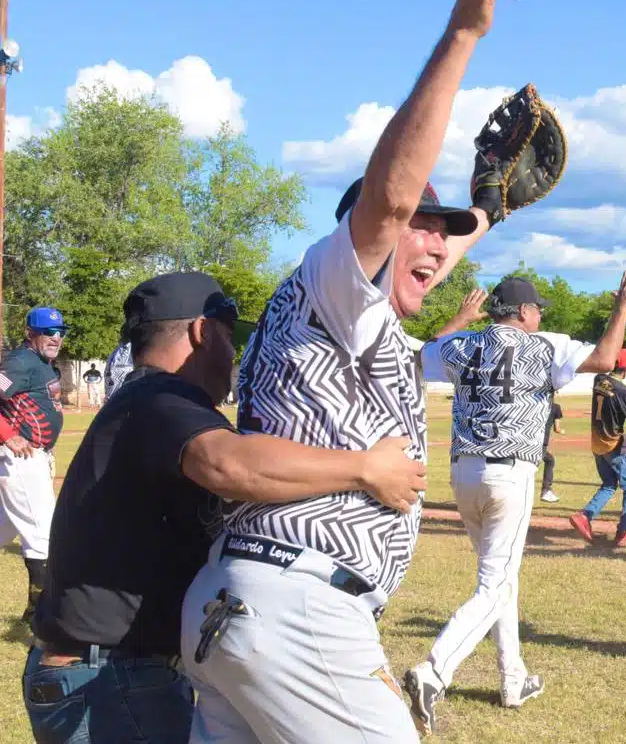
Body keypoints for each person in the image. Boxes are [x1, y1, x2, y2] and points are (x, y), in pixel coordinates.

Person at [178, 0, 529, 744]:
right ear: (363, 241)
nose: (435, 248)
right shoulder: (336, 282)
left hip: (245, 607)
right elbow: (393, 199)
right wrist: (464, 34)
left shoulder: (363, 323)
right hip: (298, 613)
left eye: (443, 239)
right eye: (419, 234)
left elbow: (431, 239)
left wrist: (484, 214)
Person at [23, 272, 422, 744]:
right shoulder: (161, 397)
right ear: (202, 332)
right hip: (111, 678)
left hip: (104, 671)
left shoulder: (140, 401)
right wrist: (365, 470)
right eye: (229, 338)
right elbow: (228, 465)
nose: (233, 356)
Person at [404, 270, 626, 732]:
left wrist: (458, 318)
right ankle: (434, 671)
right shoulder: (545, 344)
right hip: (511, 471)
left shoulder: (464, 343)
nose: (539, 316)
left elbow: (418, 357)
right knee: (495, 583)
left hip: (463, 471)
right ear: (525, 312)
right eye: (537, 310)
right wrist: (622, 309)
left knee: (501, 578)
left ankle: (513, 679)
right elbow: (607, 358)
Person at [0, 307, 69, 624]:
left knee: (4, 530)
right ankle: (37, 615)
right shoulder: (19, 362)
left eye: (59, 332)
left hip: (35, 457)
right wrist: (7, 433)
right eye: (47, 332)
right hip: (21, 458)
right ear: (31, 333)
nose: (55, 337)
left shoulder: (40, 363)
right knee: (43, 533)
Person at [569, 347, 626, 546]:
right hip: (613, 443)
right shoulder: (624, 392)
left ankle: (584, 516)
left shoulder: (599, 380)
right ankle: (624, 530)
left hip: (596, 442)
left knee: (609, 484)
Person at [539, 393, 564, 502]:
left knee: (549, 459)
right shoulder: (555, 407)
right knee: (549, 461)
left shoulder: (536, 405)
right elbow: (557, 429)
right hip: (541, 442)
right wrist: (563, 431)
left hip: (528, 440)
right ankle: (546, 491)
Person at [103, 333, 133, 401]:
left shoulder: (132, 348)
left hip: (124, 377)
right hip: (112, 381)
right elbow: (109, 367)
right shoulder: (118, 349)